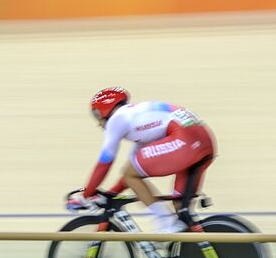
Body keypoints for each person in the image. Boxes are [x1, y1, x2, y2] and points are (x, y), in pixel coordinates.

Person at [68, 87, 217, 234]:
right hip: (204, 142)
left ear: (105, 110)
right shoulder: (140, 122)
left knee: (131, 175)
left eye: (96, 114)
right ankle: (199, 249)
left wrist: (86, 195)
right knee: (180, 207)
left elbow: (105, 162)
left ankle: (166, 221)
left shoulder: (118, 118)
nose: (98, 123)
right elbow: (130, 173)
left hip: (187, 140)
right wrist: (111, 194)